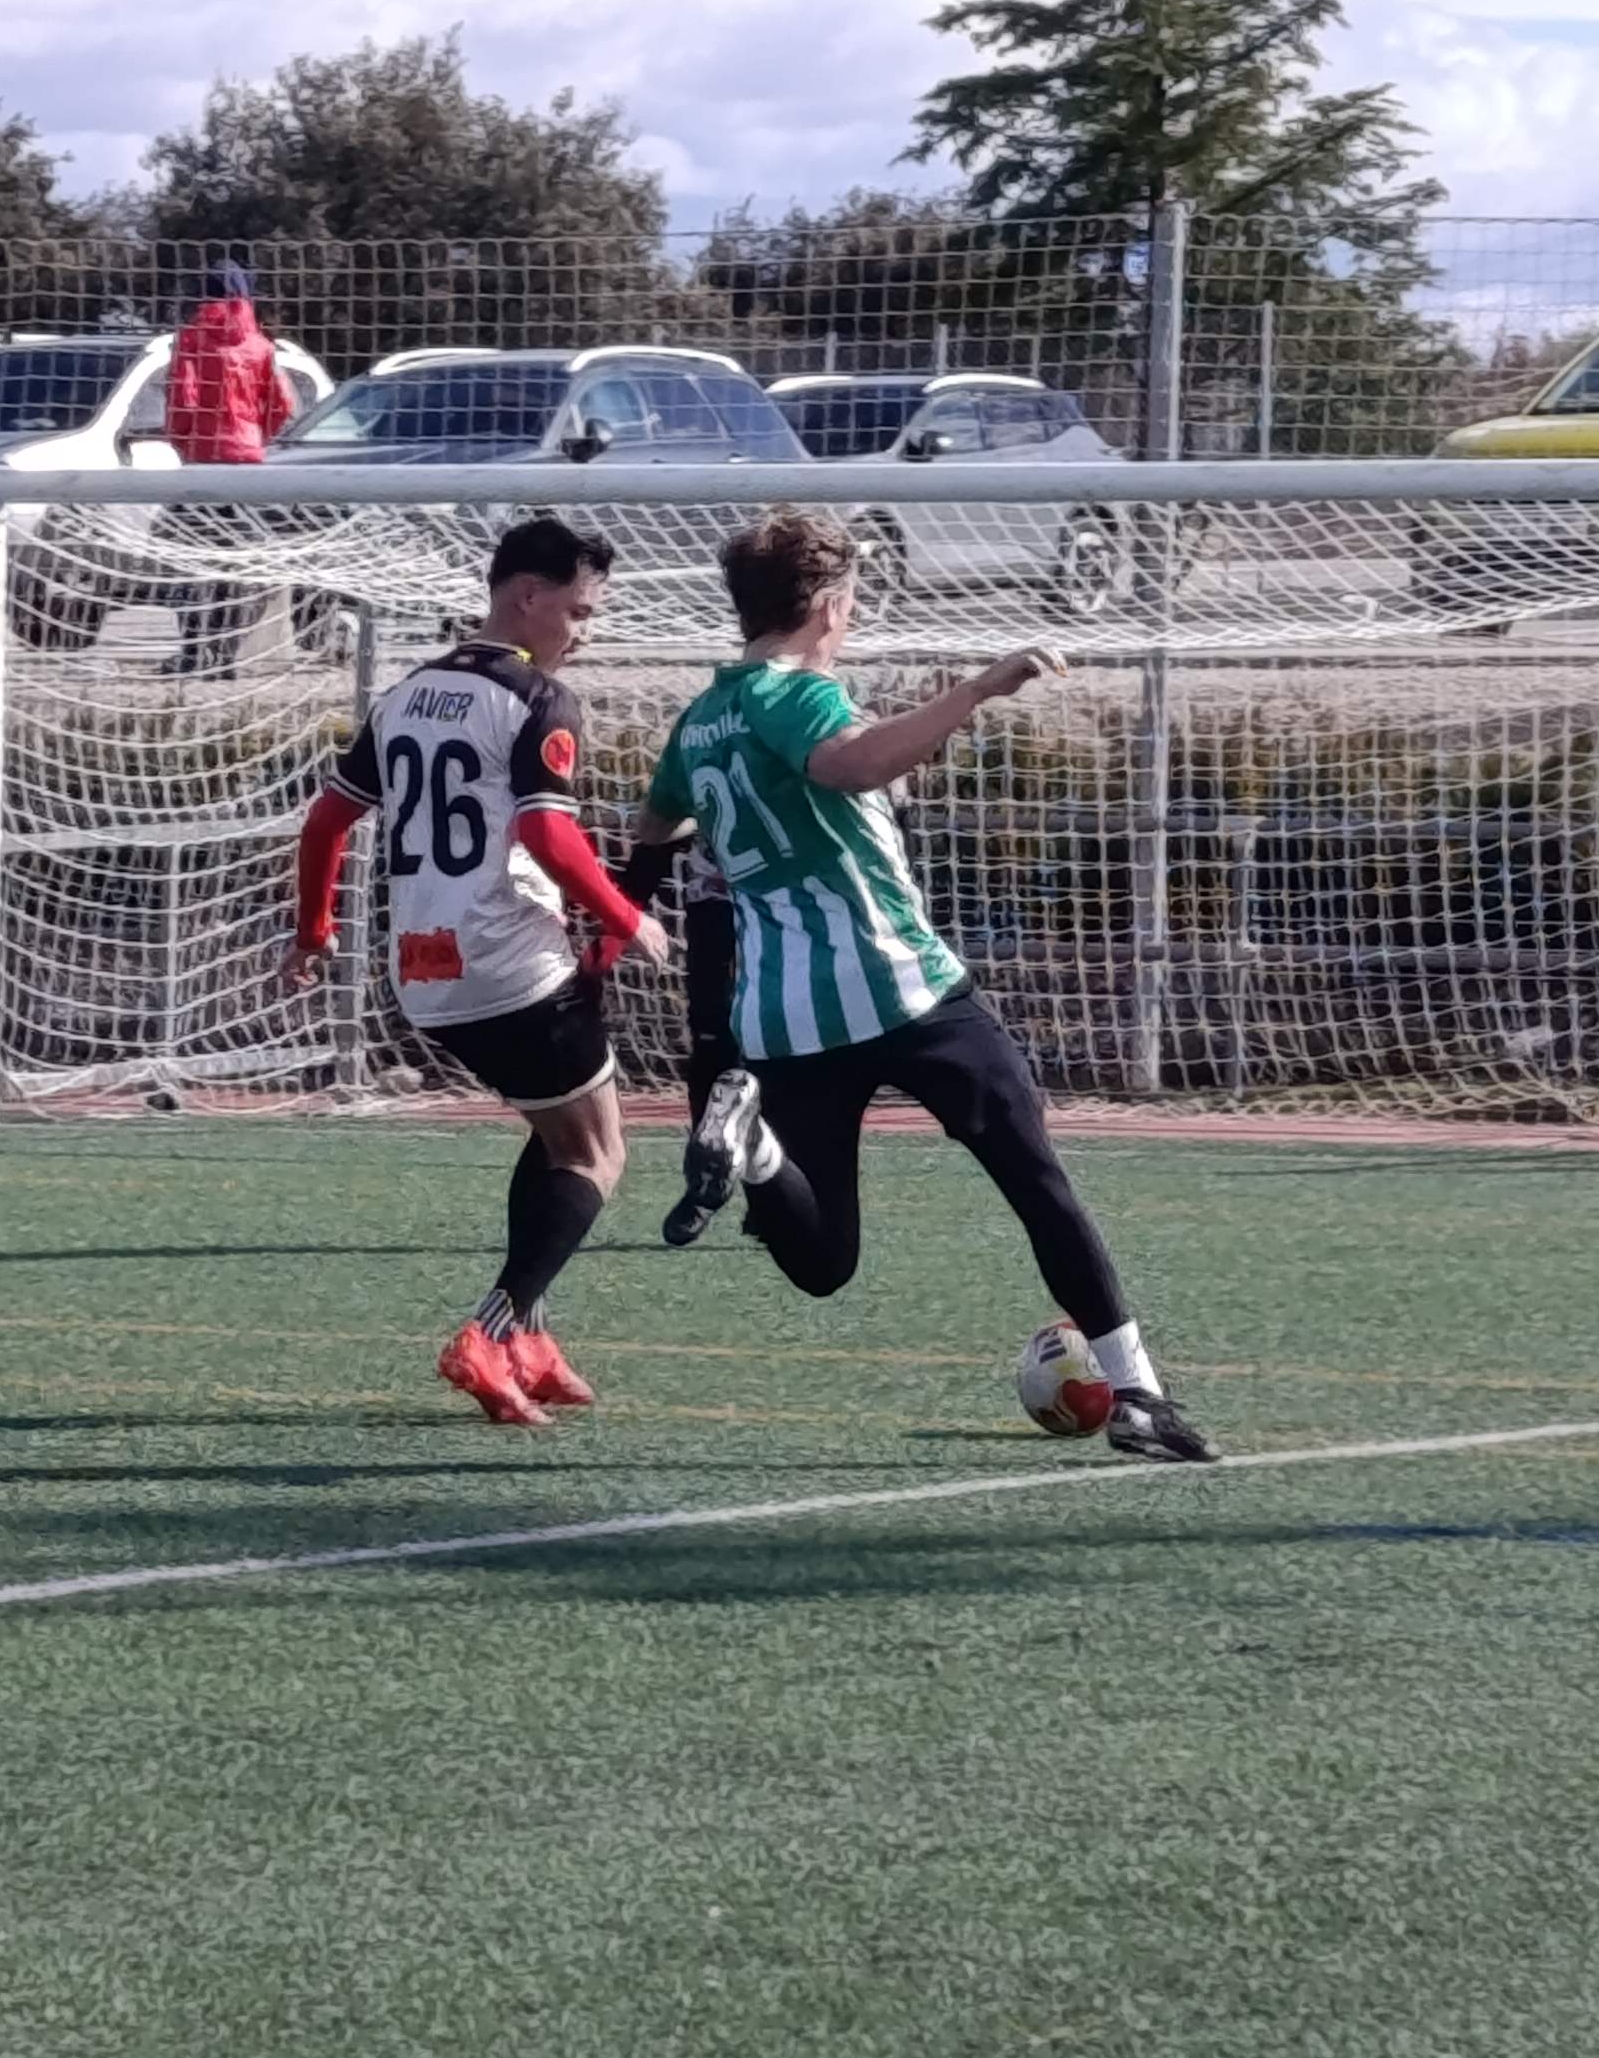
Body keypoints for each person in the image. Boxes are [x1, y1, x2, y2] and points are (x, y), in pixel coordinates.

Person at [634, 507, 1214, 1462]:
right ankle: (1137, 1394)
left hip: (781, 1016)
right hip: (898, 984)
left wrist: (625, 911)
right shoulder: (795, 693)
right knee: (1034, 1178)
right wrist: (978, 690)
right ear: (827, 605)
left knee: (823, 1263)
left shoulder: (698, 722)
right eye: (851, 598)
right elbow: (849, 762)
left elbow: (655, 828)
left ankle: (757, 1150)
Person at [281, 516, 670, 1426]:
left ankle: (528, 1335)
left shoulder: (406, 694)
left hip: (423, 973)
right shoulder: (536, 699)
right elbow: (546, 833)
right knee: (599, 1152)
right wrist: (627, 917)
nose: (585, 632)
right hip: (510, 961)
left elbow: (325, 823)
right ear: (526, 596)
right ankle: (489, 1331)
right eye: (578, 611)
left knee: (555, 1135)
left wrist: (313, 930)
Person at [615, 830, 746, 1246]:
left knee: (790, 1048)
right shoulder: (695, 780)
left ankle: (776, 1189)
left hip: (795, 906)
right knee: (713, 1039)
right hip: (716, 906)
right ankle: (705, 1178)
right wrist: (623, 910)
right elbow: (665, 826)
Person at [166, 261, 298, 675]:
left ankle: (194, 652)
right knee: (237, 562)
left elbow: (184, 401)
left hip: (203, 462)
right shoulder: (261, 345)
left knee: (192, 559)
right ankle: (227, 656)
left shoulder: (191, 339)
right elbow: (283, 405)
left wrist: (183, 443)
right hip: (246, 464)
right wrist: (256, 436)